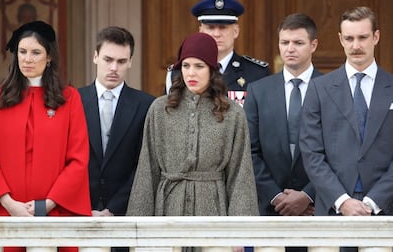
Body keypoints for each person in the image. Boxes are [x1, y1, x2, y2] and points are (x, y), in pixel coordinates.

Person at [127, 32, 259, 252]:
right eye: (186, 66)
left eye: (199, 66)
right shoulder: (160, 110)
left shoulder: (232, 114)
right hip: (168, 209)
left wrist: (240, 234)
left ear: (211, 70)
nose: (191, 73)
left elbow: (240, 174)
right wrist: (137, 227)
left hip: (213, 211)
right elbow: (147, 170)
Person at [0, 21, 91, 252]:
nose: (27, 59)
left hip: (56, 213)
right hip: (6, 214)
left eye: (35, 52)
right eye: (22, 52)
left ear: (49, 57)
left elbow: (78, 160)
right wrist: (10, 205)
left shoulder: (69, 98)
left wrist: (46, 205)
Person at [300, 6, 393, 222]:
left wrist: (373, 201)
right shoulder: (318, 89)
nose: (356, 46)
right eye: (349, 38)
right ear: (340, 39)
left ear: (376, 37)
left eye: (363, 37)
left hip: (386, 208)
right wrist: (342, 200)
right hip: (333, 209)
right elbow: (312, 152)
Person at [244, 13, 321, 252]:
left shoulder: (332, 88)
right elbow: (250, 151)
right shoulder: (258, 91)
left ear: (313, 45)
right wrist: (276, 196)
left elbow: (338, 153)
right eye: (284, 42)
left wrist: (308, 195)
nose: (290, 49)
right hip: (269, 209)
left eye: (298, 43)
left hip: (317, 210)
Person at [78, 27, 154, 251]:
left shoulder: (146, 105)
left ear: (131, 61)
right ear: (95, 57)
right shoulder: (72, 101)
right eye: (108, 59)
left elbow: (145, 165)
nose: (114, 68)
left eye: (121, 61)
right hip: (79, 214)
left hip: (126, 217)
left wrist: (113, 208)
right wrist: (83, 207)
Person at [166, 0, 269, 104]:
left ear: (236, 31)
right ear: (200, 31)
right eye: (210, 27)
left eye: (223, 27)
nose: (217, 34)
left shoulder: (257, 73)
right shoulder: (178, 73)